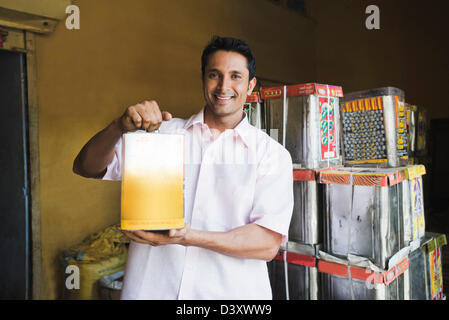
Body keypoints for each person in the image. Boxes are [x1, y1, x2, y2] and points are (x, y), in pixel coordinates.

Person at [73, 36, 293, 299]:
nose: (224, 86)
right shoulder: (160, 135)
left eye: (235, 76)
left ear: (251, 86)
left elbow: (266, 245)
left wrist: (187, 236)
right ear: (203, 78)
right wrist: (118, 127)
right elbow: (86, 167)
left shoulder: (271, 154)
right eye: (215, 74)